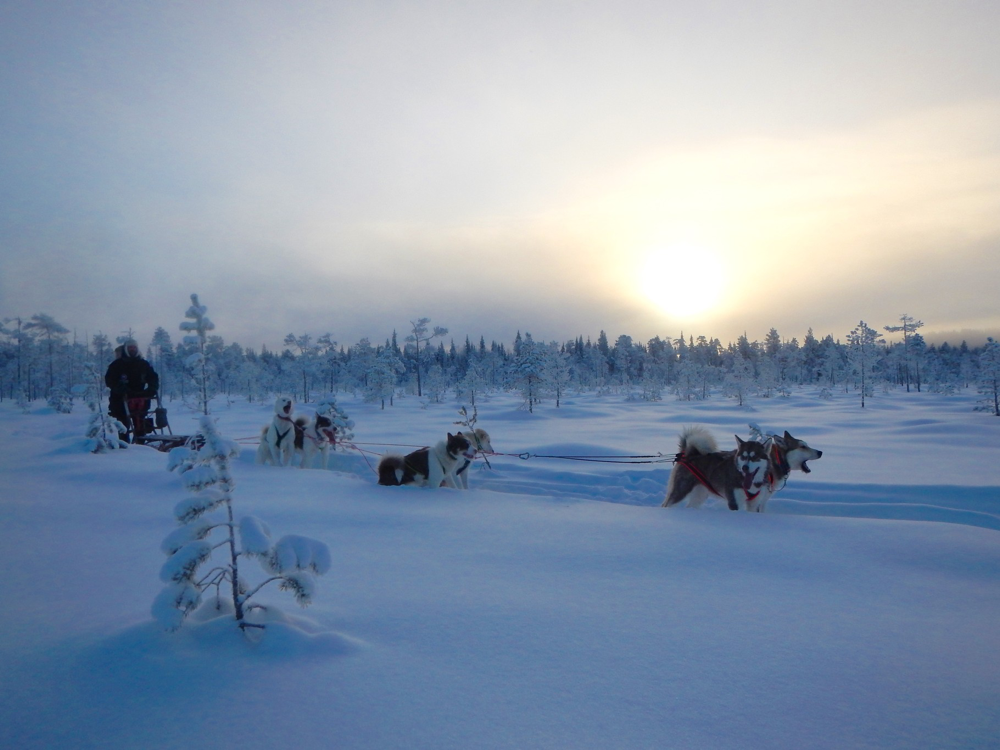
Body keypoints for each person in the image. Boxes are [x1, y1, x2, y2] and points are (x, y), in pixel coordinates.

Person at [105, 339, 159, 440]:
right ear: (125, 349)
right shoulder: (116, 365)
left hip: (141, 400)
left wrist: (151, 389)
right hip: (120, 401)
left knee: (140, 425)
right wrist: (122, 390)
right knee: (124, 427)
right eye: (130, 347)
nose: (132, 349)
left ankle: (142, 446)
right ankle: (125, 449)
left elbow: (153, 377)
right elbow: (110, 381)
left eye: (134, 347)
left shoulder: (143, 364)